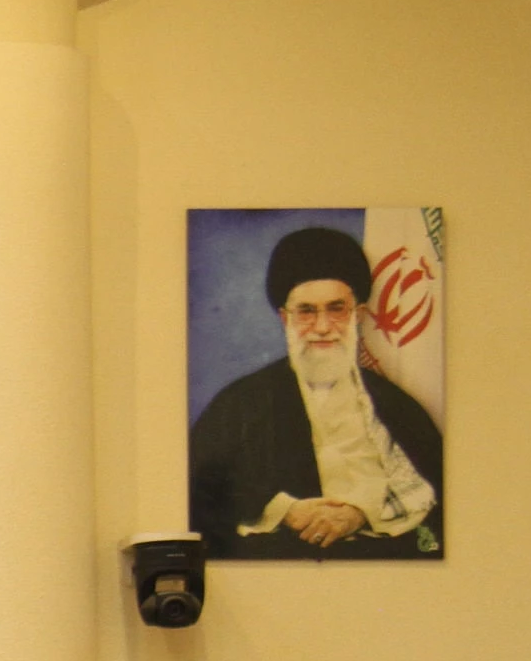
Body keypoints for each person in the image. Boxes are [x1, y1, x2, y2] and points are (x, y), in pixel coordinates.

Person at [189, 225, 443, 558]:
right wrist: (283, 510)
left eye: (336, 309)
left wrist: (361, 514)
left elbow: (437, 494)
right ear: (285, 319)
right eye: (306, 311)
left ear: (358, 315)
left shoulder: (397, 407)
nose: (322, 327)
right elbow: (200, 491)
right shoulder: (238, 405)